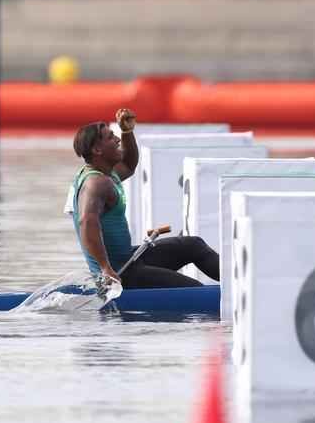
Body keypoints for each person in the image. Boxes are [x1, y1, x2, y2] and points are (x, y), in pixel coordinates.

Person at [70, 110, 220, 289]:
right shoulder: (96, 183)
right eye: (111, 137)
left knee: (193, 245)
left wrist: (127, 132)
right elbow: (86, 223)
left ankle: (239, 282)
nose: (117, 140)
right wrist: (105, 269)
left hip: (129, 258)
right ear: (97, 150)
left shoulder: (108, 173)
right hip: (120, 273)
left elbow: (129, 164)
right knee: (194, 289)